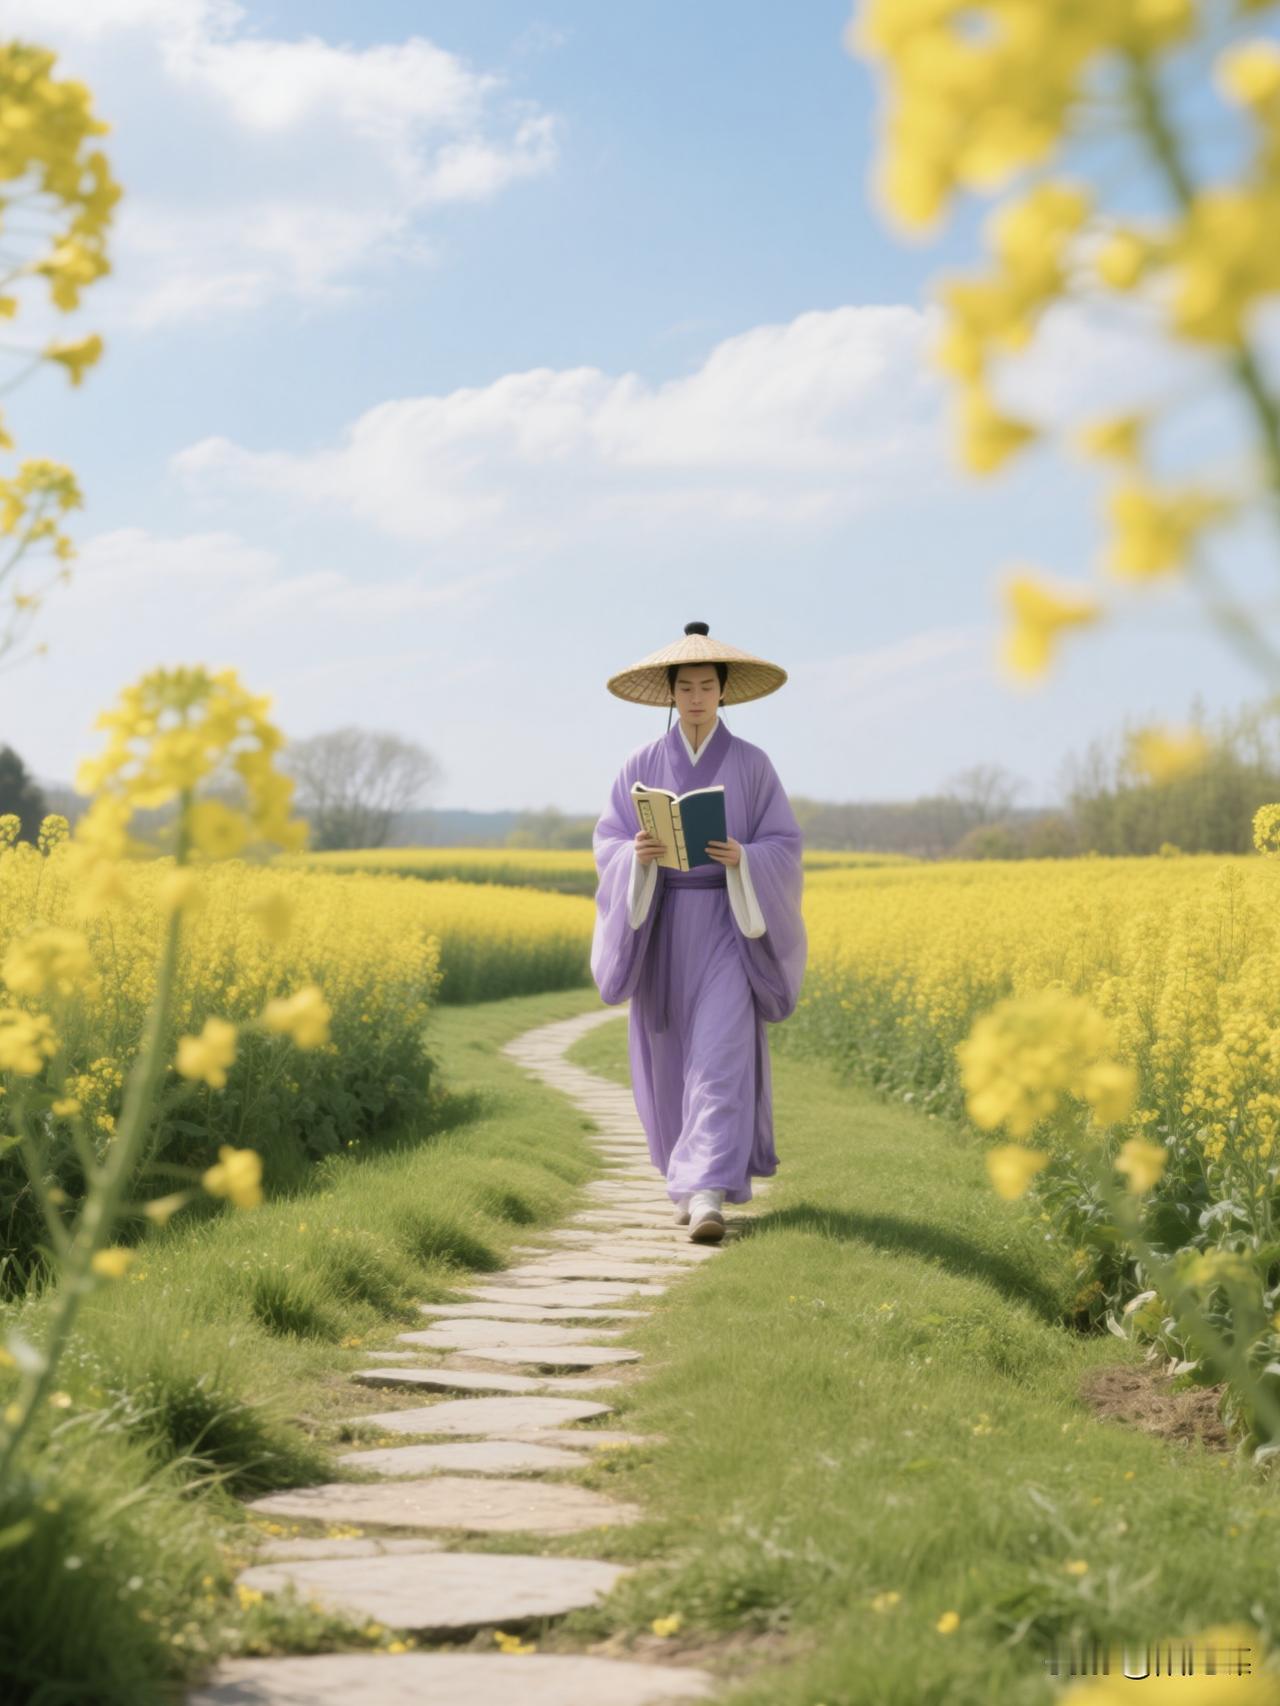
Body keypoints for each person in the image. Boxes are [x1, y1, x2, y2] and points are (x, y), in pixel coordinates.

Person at [590, 620, 808, 1242]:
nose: (694, 697)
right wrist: (635, 854)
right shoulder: (640, 763)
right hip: (662, 926)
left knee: (718, 1057)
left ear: (723, 692)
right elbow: (606, 841)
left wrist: (745, 856)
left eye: (706, 687)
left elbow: (784, 845)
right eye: (683, 687)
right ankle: (687, 1180)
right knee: (672, 1057)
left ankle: (708, 1193)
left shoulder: (753, 765)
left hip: (728, 926)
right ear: (670, 694)